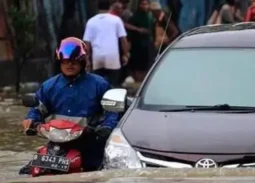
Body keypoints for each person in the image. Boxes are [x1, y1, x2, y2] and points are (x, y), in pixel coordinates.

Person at [20, 37, 119, 173]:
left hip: (90, 143)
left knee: (94, 171)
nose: (70, 65)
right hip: (57, 143)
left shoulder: (99, 84)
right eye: (66, 61)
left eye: (74, 61)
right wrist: (31, 119)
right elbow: (38, 107)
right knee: (27, 172)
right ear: (60, 62)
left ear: (82, 62)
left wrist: (107, 127)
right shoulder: (49, 86)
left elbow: (112, 110)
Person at [83, 0, 129, 87]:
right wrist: (125, 54)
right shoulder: (116, 20)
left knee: (99, 84)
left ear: (97, 7)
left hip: (97, 57)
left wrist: (87, 59)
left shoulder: (91, 21)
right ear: (110, 7)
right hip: (113, 57)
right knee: (113, 83)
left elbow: (87, 42)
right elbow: (123, 39)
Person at [127, 0, 157, 83]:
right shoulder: (135, 16)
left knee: (148, 63)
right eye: (143, 4)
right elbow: (126, 24)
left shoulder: (151, 15)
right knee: (138, 64)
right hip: (137, 44)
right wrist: (138, 30)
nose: (144, 6)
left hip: (148, 44)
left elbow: (153, 29)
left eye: (146, 4)